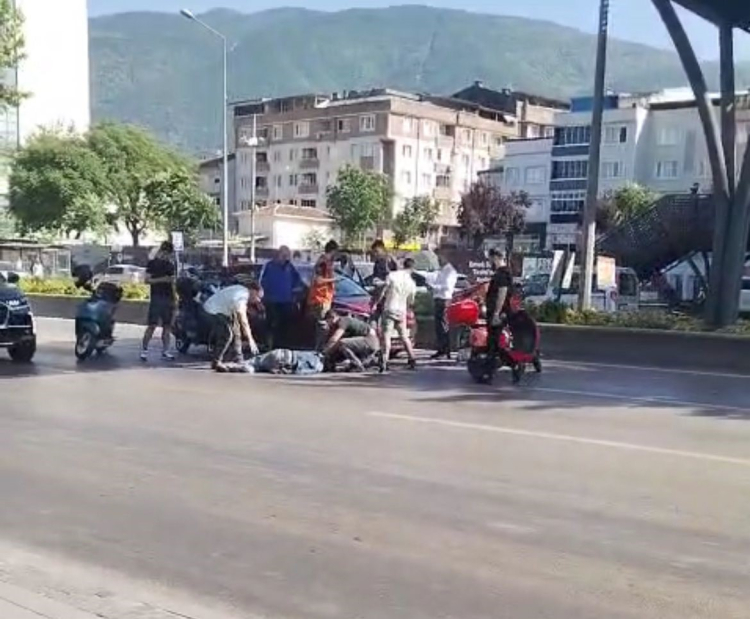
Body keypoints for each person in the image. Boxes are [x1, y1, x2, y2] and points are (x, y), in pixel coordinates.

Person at [203, 279, 262, 373]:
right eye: (258, 296)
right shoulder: (243, 295)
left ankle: (238, 358)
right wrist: (251, 340)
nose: (258, 300)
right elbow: (243, 320)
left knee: (236, 329)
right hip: (213, 310)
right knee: (227, 334)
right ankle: (216, 361)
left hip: (221, 309)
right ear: (253, 291)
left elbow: (238, 326)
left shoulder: (240, 289)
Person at [377, 258, 418, 372]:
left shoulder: (392, 276)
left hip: (389, 308)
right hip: (401, 310)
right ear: (412, 268)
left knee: (386, 335)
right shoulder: (411, 282)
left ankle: (384, 361)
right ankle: (412, 358)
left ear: (403, 265)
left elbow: (383, 291)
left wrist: (378, 301)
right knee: (404, 336)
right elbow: (411, 300)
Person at [141, 241, 177, 361]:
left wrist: (175, 299)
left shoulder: (170, 265)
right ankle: (144, 350)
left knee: (167, 326)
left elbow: (172, 282)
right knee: (152, 325)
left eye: (169, 253)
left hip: (168, 298)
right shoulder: (152, 263)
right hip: (156, 297)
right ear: (162, 251)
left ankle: (165, 351)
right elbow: (146, 280)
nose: (167, 255)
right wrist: (163, 279)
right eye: (165, 252)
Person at [261, 245, 301, 349]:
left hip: (286, 302)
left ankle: (282, 347)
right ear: (279, 255)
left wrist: (294, 292)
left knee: (284, 325)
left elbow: (297, 281)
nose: (285, 258)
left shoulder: (290, 267)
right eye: (284, 255)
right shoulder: (270, 266)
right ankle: (270, 346)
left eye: (287, 256)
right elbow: (263, 282)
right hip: (272, 301)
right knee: (272, 325)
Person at [307, 240, 339, 350]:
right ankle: (319, 349)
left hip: (325, 298)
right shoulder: (323, 262)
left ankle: (319, 348)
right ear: (333, 251)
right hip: (320, 298)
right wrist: (334, 280)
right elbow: (318, 280)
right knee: (322, 326)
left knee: (323, 326)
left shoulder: (327, 263)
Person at [429, 249, 459, 360]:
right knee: (438, 326)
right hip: (438, 299)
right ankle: (441, 349)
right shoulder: (442, 270)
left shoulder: (450, 271)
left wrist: (434, 287)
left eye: (440, 258)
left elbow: (447, 286)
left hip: (444, 299)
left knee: (443, 325)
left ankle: (445, 349)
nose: (438, 260)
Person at [485, 249, 514, 358]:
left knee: (495, 338)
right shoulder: (502, 273)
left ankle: (494, 360)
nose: (489, 262)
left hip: (500, 312)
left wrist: (497, 313)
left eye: (490, 259)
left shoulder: (502, 273)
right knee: (494, 337)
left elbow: (502, 292)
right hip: (498, 311)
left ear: (495, 258)